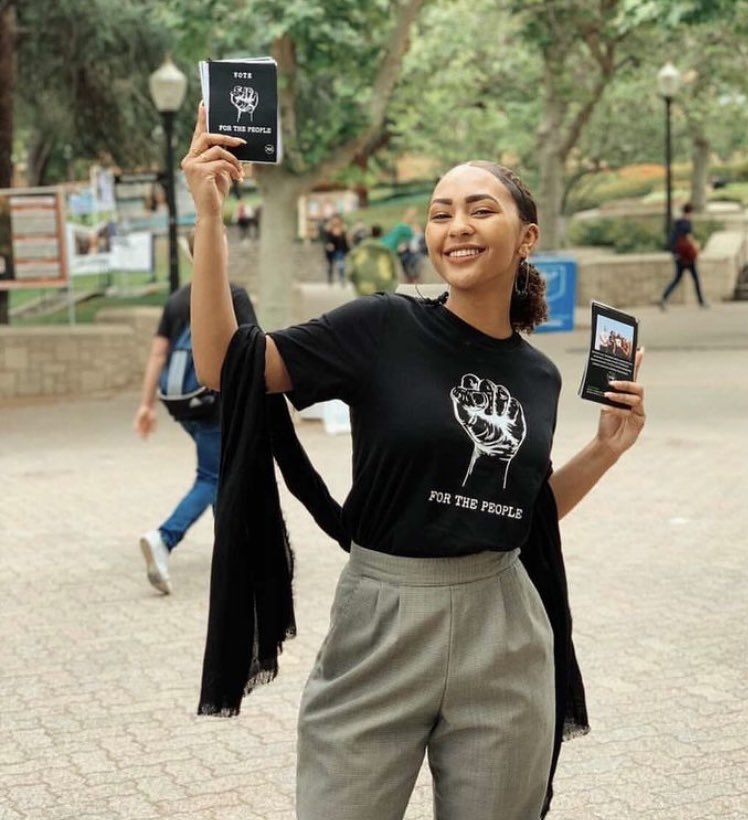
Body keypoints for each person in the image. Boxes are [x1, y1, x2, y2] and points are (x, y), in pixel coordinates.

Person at [182, 104, 646, 820]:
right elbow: (225, 365)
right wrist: (210, 222)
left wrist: (606, 449)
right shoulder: (382, 327)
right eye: (440, 213)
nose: (456, 226)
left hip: (504, 624)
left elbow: (523, 511)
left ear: (527, 238)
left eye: (478, 209)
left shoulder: (538, 378)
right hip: (383, 617)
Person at [133, 232, 257, 595]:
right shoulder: (232, 295)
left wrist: (146, 405)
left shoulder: (177, 300)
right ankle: (164, 538)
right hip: (217, 406)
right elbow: (252, 352)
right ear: (223, 247)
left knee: (220, 473)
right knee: (212, 476)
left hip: (183, 406)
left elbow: (158, 355)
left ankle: (233, 552)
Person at [659, 202, 709, 309]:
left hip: (679, 256)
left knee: (677, 279)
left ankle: (664, 297)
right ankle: (701, 301)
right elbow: (688, 237)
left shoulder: (677, 223)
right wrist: (697, 246)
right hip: (688, 256)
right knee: (695, 279)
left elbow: (674, 239)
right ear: (690, 212)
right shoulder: (686, 223)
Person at [345, 224, 398, 295]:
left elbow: (351, 265)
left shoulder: (360, 249)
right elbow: (393, 268)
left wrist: (352, 278)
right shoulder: (385, 249)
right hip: (384, 286)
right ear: (381, 234)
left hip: (364, 287)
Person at [321, 213, 350, 285]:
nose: (336, 221)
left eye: (337, 219)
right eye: (334, 219)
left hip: (340, 249)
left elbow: (345, 240)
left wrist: (347, 249)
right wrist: (328, 244)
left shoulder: (343, 229)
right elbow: (326, 239)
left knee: (341, 264)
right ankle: (330, 279)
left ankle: (342, 278)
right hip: (331, 250)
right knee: (330, 265)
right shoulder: (328, 229)